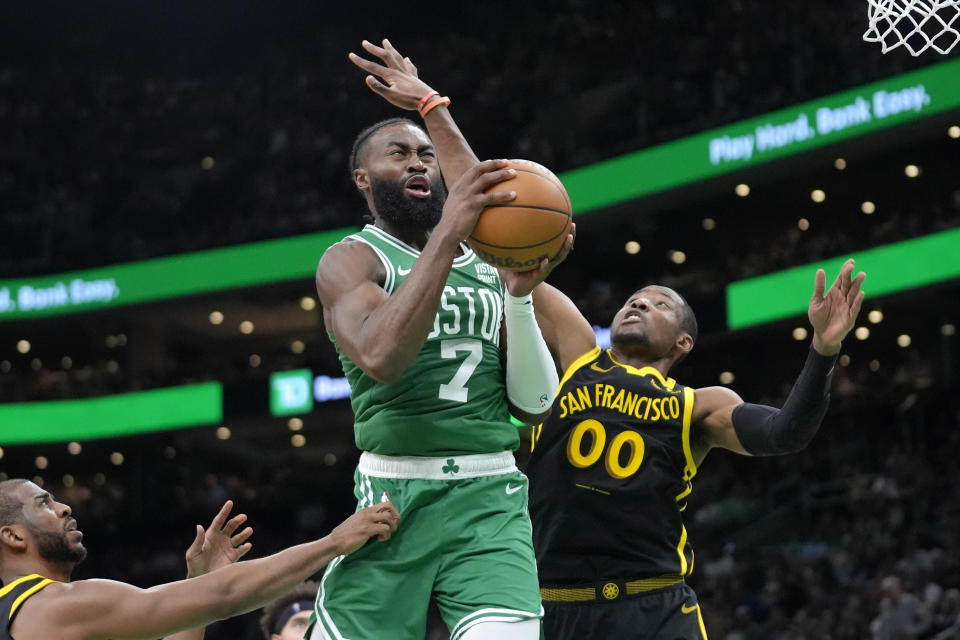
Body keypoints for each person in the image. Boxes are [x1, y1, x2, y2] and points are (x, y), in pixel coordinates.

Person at [309, 39, 570, 640]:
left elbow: (534, 407)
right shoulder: (352, 260)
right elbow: (382, 356)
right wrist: (451, 235)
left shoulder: (489, 262)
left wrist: (431, 104)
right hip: (392, 495)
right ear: (363, 180)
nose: (419, 163)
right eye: (398, 154)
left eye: (427, 155)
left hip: (489, 492)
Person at [523, 261, 866, 639]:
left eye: (660, 305)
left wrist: (824, 347)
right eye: (634, 300)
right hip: (554, 606)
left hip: (653, 607)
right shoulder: (579, 356)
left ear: (682, 342)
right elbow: (516, 270)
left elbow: (784, 433)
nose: (639, 305)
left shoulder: (699, 406)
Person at [0, 478, 399, 640]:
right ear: (12, 535)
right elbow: (226, 594)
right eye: (45, 503)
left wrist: (196, 584)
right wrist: (332, 543)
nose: (66, 507)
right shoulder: (54, 606)